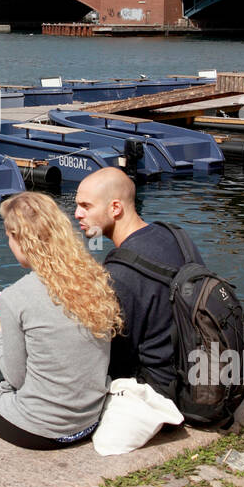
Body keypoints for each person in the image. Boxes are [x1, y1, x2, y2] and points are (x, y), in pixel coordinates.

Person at [0, 191, 122, 450]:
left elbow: (16, 378)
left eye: (9, 237)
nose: (9, 244)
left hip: (43, 432)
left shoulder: (14, 297)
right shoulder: (95, 280)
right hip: (88, 422)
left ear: (21, 239)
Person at [74, 166, 194, 401]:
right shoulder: (175, 235)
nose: (77, 214)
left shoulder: (120, 273)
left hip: (161, 391)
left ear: (115, 208)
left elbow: (112, 358)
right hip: (193, 366)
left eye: (86, 206)